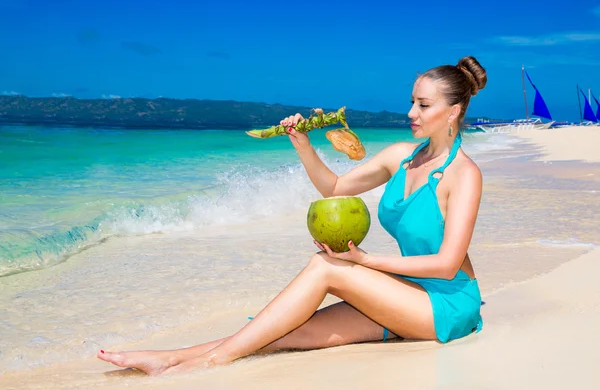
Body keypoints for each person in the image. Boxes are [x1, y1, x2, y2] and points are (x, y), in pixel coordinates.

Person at [97, 56, 487, 376]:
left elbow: (448, 263)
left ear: (453, 111)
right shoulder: (401, 156)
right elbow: (334, 188)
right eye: (412, 101)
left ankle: (207, 363)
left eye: (423, 105)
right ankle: (171, 357)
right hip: (406, 292)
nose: (410, 112)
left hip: (447, 306)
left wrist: (366, 262)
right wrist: (302, 143)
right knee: (287, 331)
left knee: (325, 267)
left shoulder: (464, 174)